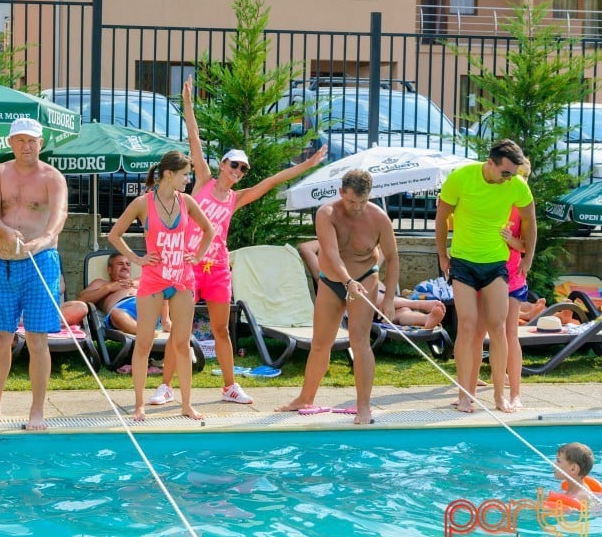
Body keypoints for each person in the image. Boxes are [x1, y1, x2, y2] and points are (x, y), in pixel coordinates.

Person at [147, 77, 327, 406]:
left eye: (243, 169)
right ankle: (166, 387)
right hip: (188, 265)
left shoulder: (236, 198)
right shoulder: (201, 179)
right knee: (180, 331)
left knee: (221, 330)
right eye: (234, 165)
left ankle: (229, 386)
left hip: (216, 266)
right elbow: (194, 138)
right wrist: (188, 101)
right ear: (222, 165)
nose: (239, 171)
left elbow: (273, 181)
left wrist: (307, 164)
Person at [276, 169, 399, 425]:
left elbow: (394, 257)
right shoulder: (327, 213)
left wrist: (387, 300)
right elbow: (330, 253)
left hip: (365, 279)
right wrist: (346, 281)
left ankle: (363, 406)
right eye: (351, 201)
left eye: (362, 202)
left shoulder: (380, 218)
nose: (356, 207)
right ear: (341, 192)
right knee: (320, 342)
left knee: (359, 341)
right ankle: (305, 398)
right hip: (333, 281)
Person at [0, 117, 68, 431]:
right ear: (11, 143)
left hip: (41, 261)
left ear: (41, 143)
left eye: (33, 140)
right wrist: (5, 230)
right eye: (21, 140)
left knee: (38, 340)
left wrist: (44, 239)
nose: (27, 146)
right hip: (4, 262)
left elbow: (60, 214)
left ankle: (37, 410)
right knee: (0, 338)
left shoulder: (53, 177)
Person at [108, 150, 215, 422]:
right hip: (153, 280)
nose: (188, 180)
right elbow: (114, 234)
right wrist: (136, 259)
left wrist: (198, 256)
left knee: (181, 344)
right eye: (185, 174)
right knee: (143, 344)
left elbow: (209, 231)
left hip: (182, 280)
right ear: (169, 174)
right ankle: (139, 406)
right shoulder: (143, 203)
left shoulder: (187, 201)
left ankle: (187, 405)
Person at [436, 139, 535, 414]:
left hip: (495, 265)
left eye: (513, 174)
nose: (509, 179)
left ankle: (499, 396)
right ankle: (464, 394)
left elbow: (530, 220)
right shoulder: (461, 178)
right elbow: (442, 216)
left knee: (498, 327)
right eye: (505, 173)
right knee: (467, 326)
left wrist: (529, 256)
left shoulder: (516, 185)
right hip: (464, 263)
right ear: (490, 163)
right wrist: (443, 255)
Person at [298, 239, 446, 329]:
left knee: (403, 312)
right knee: (371, 296)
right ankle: (418, 305)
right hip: (355, 311)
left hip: (385, 307)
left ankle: (426, 319)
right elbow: (305, 248)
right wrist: (333, 237)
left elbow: (384, 243)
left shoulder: (365, 267)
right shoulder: (325, 272)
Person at [76, 252, 170, 374]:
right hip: (122, 311)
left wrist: (137, 284)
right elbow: (81, 299)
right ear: (109, 269)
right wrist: (108, 288)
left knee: (160, 287)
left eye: (128, 264)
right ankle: (146, 334)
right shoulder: (101, 284)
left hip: (147, 308)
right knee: (116, 313)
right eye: (120, 264)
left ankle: (166, 322)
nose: (125, 267)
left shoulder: (138, 280)